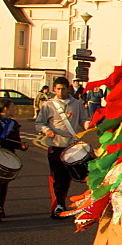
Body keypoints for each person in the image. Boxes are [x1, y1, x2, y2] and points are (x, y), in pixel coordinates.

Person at [36, 76, 91, 218]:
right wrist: (46, 130)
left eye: (63, 88)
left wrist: (88, 125)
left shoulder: (77, 104)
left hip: (72, 146)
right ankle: (57, 205)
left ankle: (72, 203)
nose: (60, 91)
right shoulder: (48, 105)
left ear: (68, 89)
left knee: (70, 177)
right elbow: (39, 123)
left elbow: (83, 120)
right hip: (55, 145)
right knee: (56, 177)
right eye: (58, 89)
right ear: (54, 89)